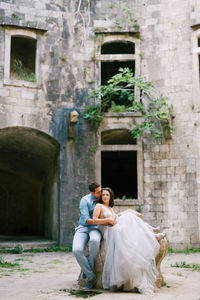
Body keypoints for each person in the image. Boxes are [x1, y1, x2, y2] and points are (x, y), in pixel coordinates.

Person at [93, 187, 162, 295]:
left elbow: (115, 219)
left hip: (115, 227)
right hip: (108, 231)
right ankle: (152, 233)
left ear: (110, 196)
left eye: (107, 195)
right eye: (103, 195)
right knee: (128, 219)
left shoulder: (110, 208)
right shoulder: (99, 206)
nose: (105, 197)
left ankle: (151, 233)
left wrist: (114, 219)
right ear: (101, 196)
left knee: (130, 217)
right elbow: (94, 220)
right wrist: (107, 220)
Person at [72, 183, 116, 289]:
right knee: (76, 250)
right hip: (83, 227)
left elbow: (108, 209)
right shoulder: (85, 200)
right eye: (98, 192)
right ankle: (91, 276)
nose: (101, 193)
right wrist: (107, 220)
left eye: (101, 191)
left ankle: (88, 270)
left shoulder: (102, 198)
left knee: (95, 241)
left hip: (95, 228)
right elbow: (87, 219)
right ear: (92, 193)